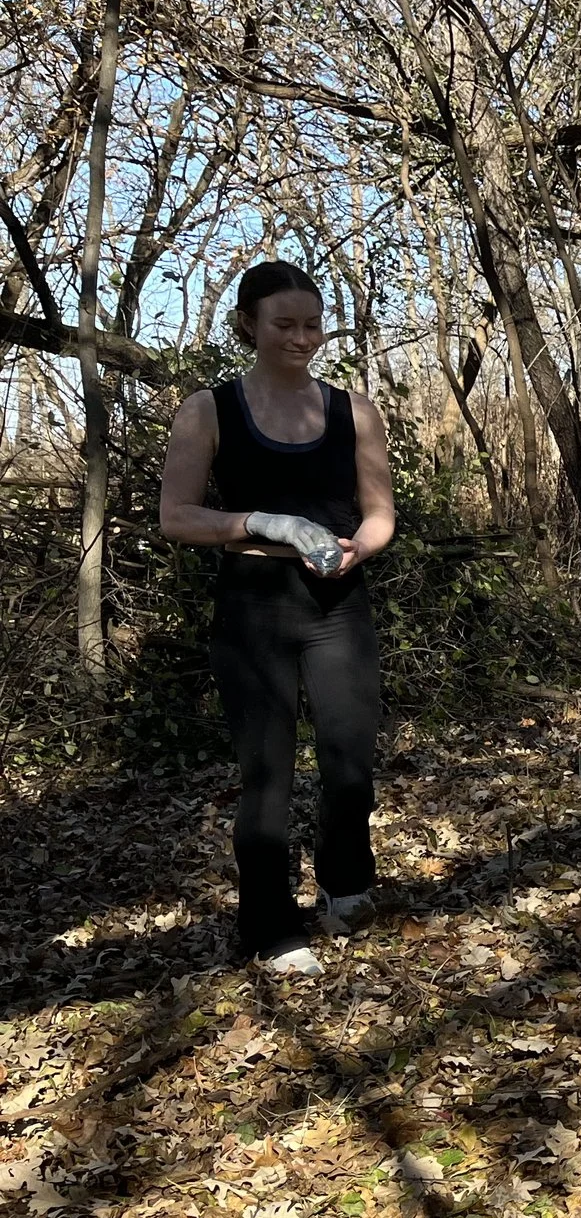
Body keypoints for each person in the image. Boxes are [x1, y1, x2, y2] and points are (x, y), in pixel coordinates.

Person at [158, 260, 396, 976]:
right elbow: (176, 516)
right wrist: (259, 521)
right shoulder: (209, 409)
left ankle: (345, 884)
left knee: (350, 765)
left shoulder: (354, 410)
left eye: (312, 325)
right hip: (253, 613)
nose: (301, 338)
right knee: (268, 777)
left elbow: (381, 511)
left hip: (336, 609)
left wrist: (359, 549)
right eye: (284, 324)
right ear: (248, 326)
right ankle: (269, 923)